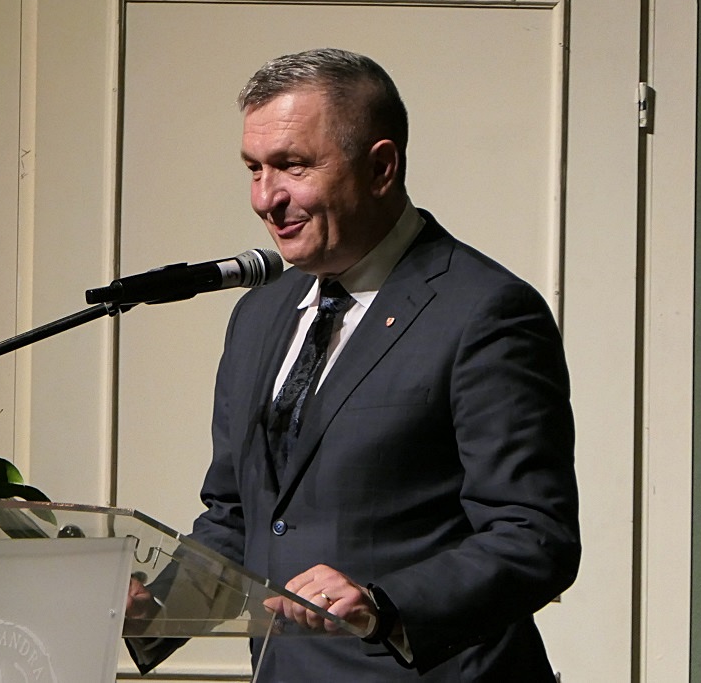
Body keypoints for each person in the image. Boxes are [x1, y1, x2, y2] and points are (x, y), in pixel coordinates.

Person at [131, 49, 580, 681]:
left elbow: (533, 536)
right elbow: (239, 516)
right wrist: (152, 611)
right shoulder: (260, 314)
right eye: (254, 169)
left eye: (293, 166)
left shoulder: (485, 311)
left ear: (381, 167)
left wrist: (383, 606)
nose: (266, 198)